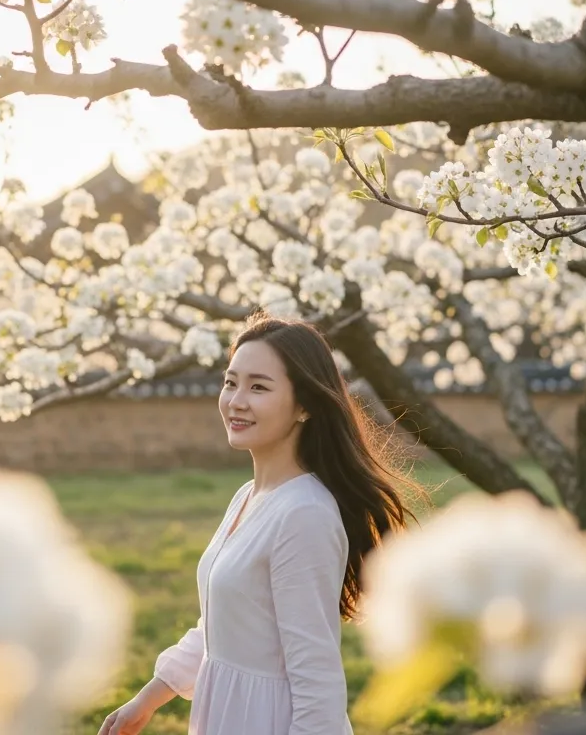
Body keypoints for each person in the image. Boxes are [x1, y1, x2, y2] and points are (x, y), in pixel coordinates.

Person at [99, 311, 425, 735]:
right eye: (231, 382)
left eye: (259, 387)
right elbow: (221, 627)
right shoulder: (248, 498)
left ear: (305, 405)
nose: (236, 400)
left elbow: (317, 679)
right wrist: (145, 701)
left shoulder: (304, 514)